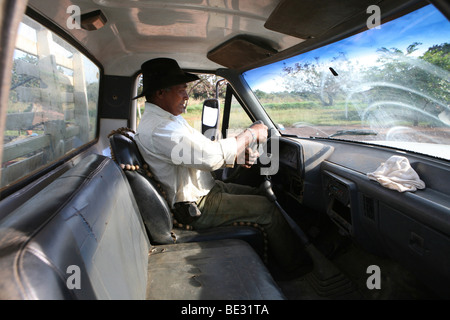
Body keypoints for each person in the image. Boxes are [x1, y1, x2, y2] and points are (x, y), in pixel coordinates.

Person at [134, 58, 310, 275]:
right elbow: (208, 157)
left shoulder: (169, 120)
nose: (187, 96)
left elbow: (198, 151)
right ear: (161, 93)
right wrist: (251, 134)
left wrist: (235, 157)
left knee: (262, 195)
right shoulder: (160, 128)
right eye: (181, 90)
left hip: (206, 190)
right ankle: (298, 271)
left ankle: (279, 254)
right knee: (267, 210)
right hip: (196, 206)